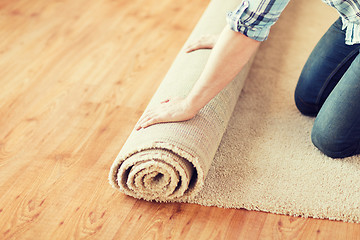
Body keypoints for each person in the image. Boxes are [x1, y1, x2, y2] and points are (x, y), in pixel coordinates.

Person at [135, 0, 360, 158]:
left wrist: (188, 105)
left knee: (331, 139)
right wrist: (229, 39)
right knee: (309, 100)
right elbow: (253, 17)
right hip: (354, 17)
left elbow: (249, 27)